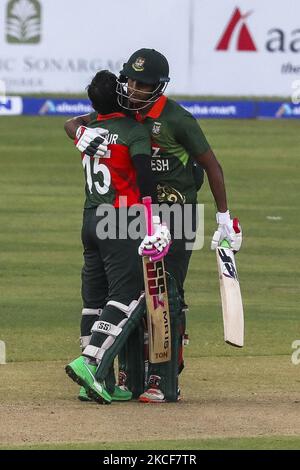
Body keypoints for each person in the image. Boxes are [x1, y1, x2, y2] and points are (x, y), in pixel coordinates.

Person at [64, 49, 242, 403]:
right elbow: (74, 122)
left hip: (176, 216)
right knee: (130, 291)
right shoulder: (123, 112)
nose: (133, 88)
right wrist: (77, 134)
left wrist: (223, 218)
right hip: (133, 219)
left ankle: (162, 378)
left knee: (166, 295)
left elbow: (212, 165)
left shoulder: (178, 119)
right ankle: (129, 373)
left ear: (158, 87)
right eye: (130, 80)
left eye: (142, 84)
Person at [64, 69, 170, 404]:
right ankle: (91, 363)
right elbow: (145, 176)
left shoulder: (91, 126)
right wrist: (154, 221)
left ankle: (95, 383)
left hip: (90, 218)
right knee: (127, 294)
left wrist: (77, 128)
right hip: (120, 218)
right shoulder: (132, 130)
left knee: (93, 301)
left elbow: (72, 122)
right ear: (119, 95)